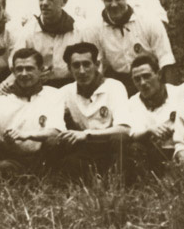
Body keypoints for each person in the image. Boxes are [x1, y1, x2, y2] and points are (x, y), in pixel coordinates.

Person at [52, 42, 131, 176]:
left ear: (97, 65)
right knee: (55, 144)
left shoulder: (115, 86)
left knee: (120, 139)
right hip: (84, 149)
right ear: (69, 69)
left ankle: (118, 179)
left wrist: (87, 134)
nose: (82, 71)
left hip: (109, 147)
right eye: (76, 66)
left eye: (87, 64)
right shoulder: (65, 92)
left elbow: (125, 129)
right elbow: (55, 126)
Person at [88, 0, 175, 93]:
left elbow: (166, 59)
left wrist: (170, 94)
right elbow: (97, 67)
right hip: (120, 82)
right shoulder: (95, 28)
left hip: (150, 78)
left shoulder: (149, 20)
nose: (114, 4)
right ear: (102, 0)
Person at [0, 48, 65, 173]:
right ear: (12, 71)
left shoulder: (54, 94)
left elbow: (55, 132)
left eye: (29, 68)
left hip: (42, 156)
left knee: (54, 142)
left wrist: (26, 135)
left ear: (41, 70)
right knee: (1, 166)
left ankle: (51, 177)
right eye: (19, 69)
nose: (23, 74)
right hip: (13, 157)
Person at [10, 0, 89, 88]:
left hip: (75, 85)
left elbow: (94, 63)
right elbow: (14, 63)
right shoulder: (29, 30)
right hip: (39, 87)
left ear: (64, 1)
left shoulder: (80, 28)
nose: (44, 3)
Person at [123, 54, 184, 180]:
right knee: (133, 148)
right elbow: (133, 133)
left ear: (159, 74)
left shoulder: (180, 92)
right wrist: (150, 130)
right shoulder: (132, 102)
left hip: (181, 149)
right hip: (155, 154)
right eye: (137, 79)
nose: (143, 83)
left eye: (147, 76)